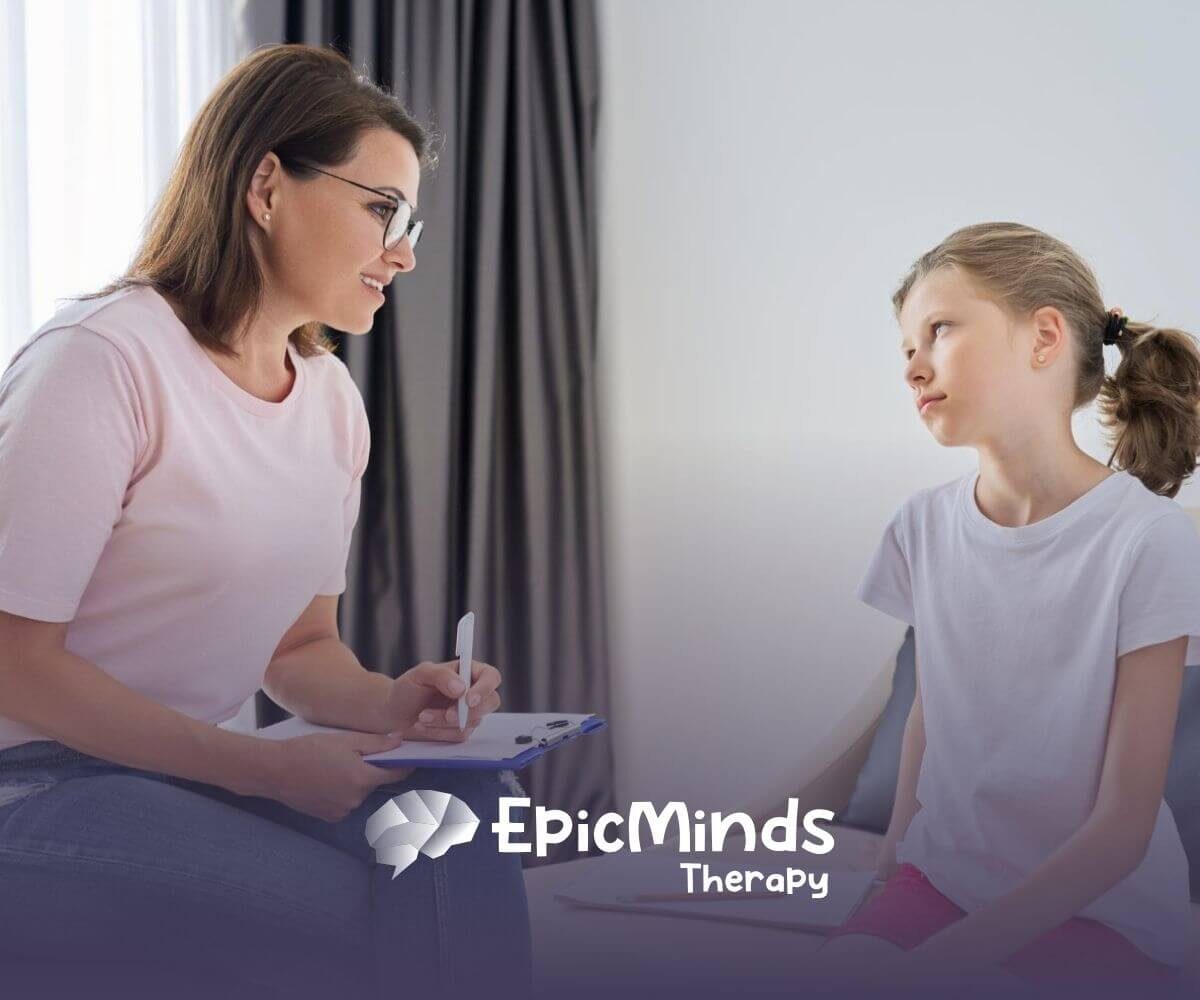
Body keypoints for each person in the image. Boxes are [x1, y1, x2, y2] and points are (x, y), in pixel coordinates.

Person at [0, 43, 531, 999]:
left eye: (411, 222)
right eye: (384, 210)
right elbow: (12, 660)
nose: (406, 251)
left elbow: (299, 646)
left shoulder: (330, 403)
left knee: (472, 807)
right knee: (362, 908)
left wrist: (387, 702)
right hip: (34, 785)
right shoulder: (101, 362)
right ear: (265, 185)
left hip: (185, 774)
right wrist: (260, 770)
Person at [808, 223, 1200, 999]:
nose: (914, 365)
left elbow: (1122, 831)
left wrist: (953, 957)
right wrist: (891, 866)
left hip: (1104, 911)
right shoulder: (919, 527)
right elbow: (930, 708)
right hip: (943, 884)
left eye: (939, 329)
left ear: (1044, 335)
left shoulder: (1150, 541)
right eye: (905, 349)